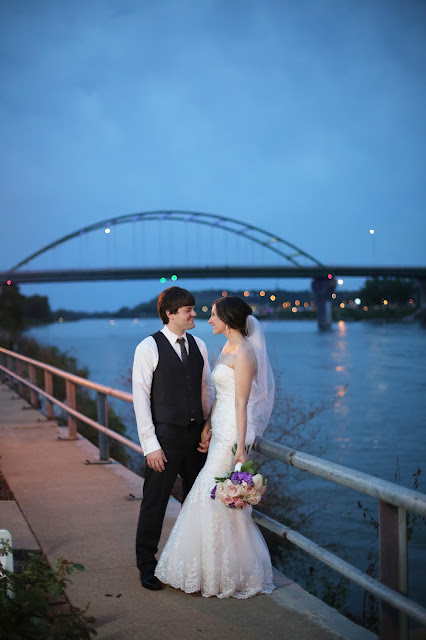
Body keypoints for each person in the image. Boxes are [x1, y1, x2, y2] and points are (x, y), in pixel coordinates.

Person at [155, 295, 275, 598]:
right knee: (213, 496)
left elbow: (242, 401)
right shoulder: (227, 348)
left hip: (234, 433)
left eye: (213, 315)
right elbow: (222, 394)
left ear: (228, 320)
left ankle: (226, 573)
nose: (208, 320)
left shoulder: (245, 353)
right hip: (220, 427)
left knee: (213, 493)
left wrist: (241, 448)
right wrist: (208, 425)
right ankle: (214, 569)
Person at [132, 287, 212, 591]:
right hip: (164, 436)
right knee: (155, 502)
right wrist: (150, 445)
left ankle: (191, 563)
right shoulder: (148, 347)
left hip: (196, 437)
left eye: (193, 309)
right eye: (188, 310)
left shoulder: (201, 345)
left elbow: (206, 391)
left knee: (198, 502)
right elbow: (140, 399)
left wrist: (207, 429)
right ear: (170, 313)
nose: (194, 314)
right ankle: (146, 565)